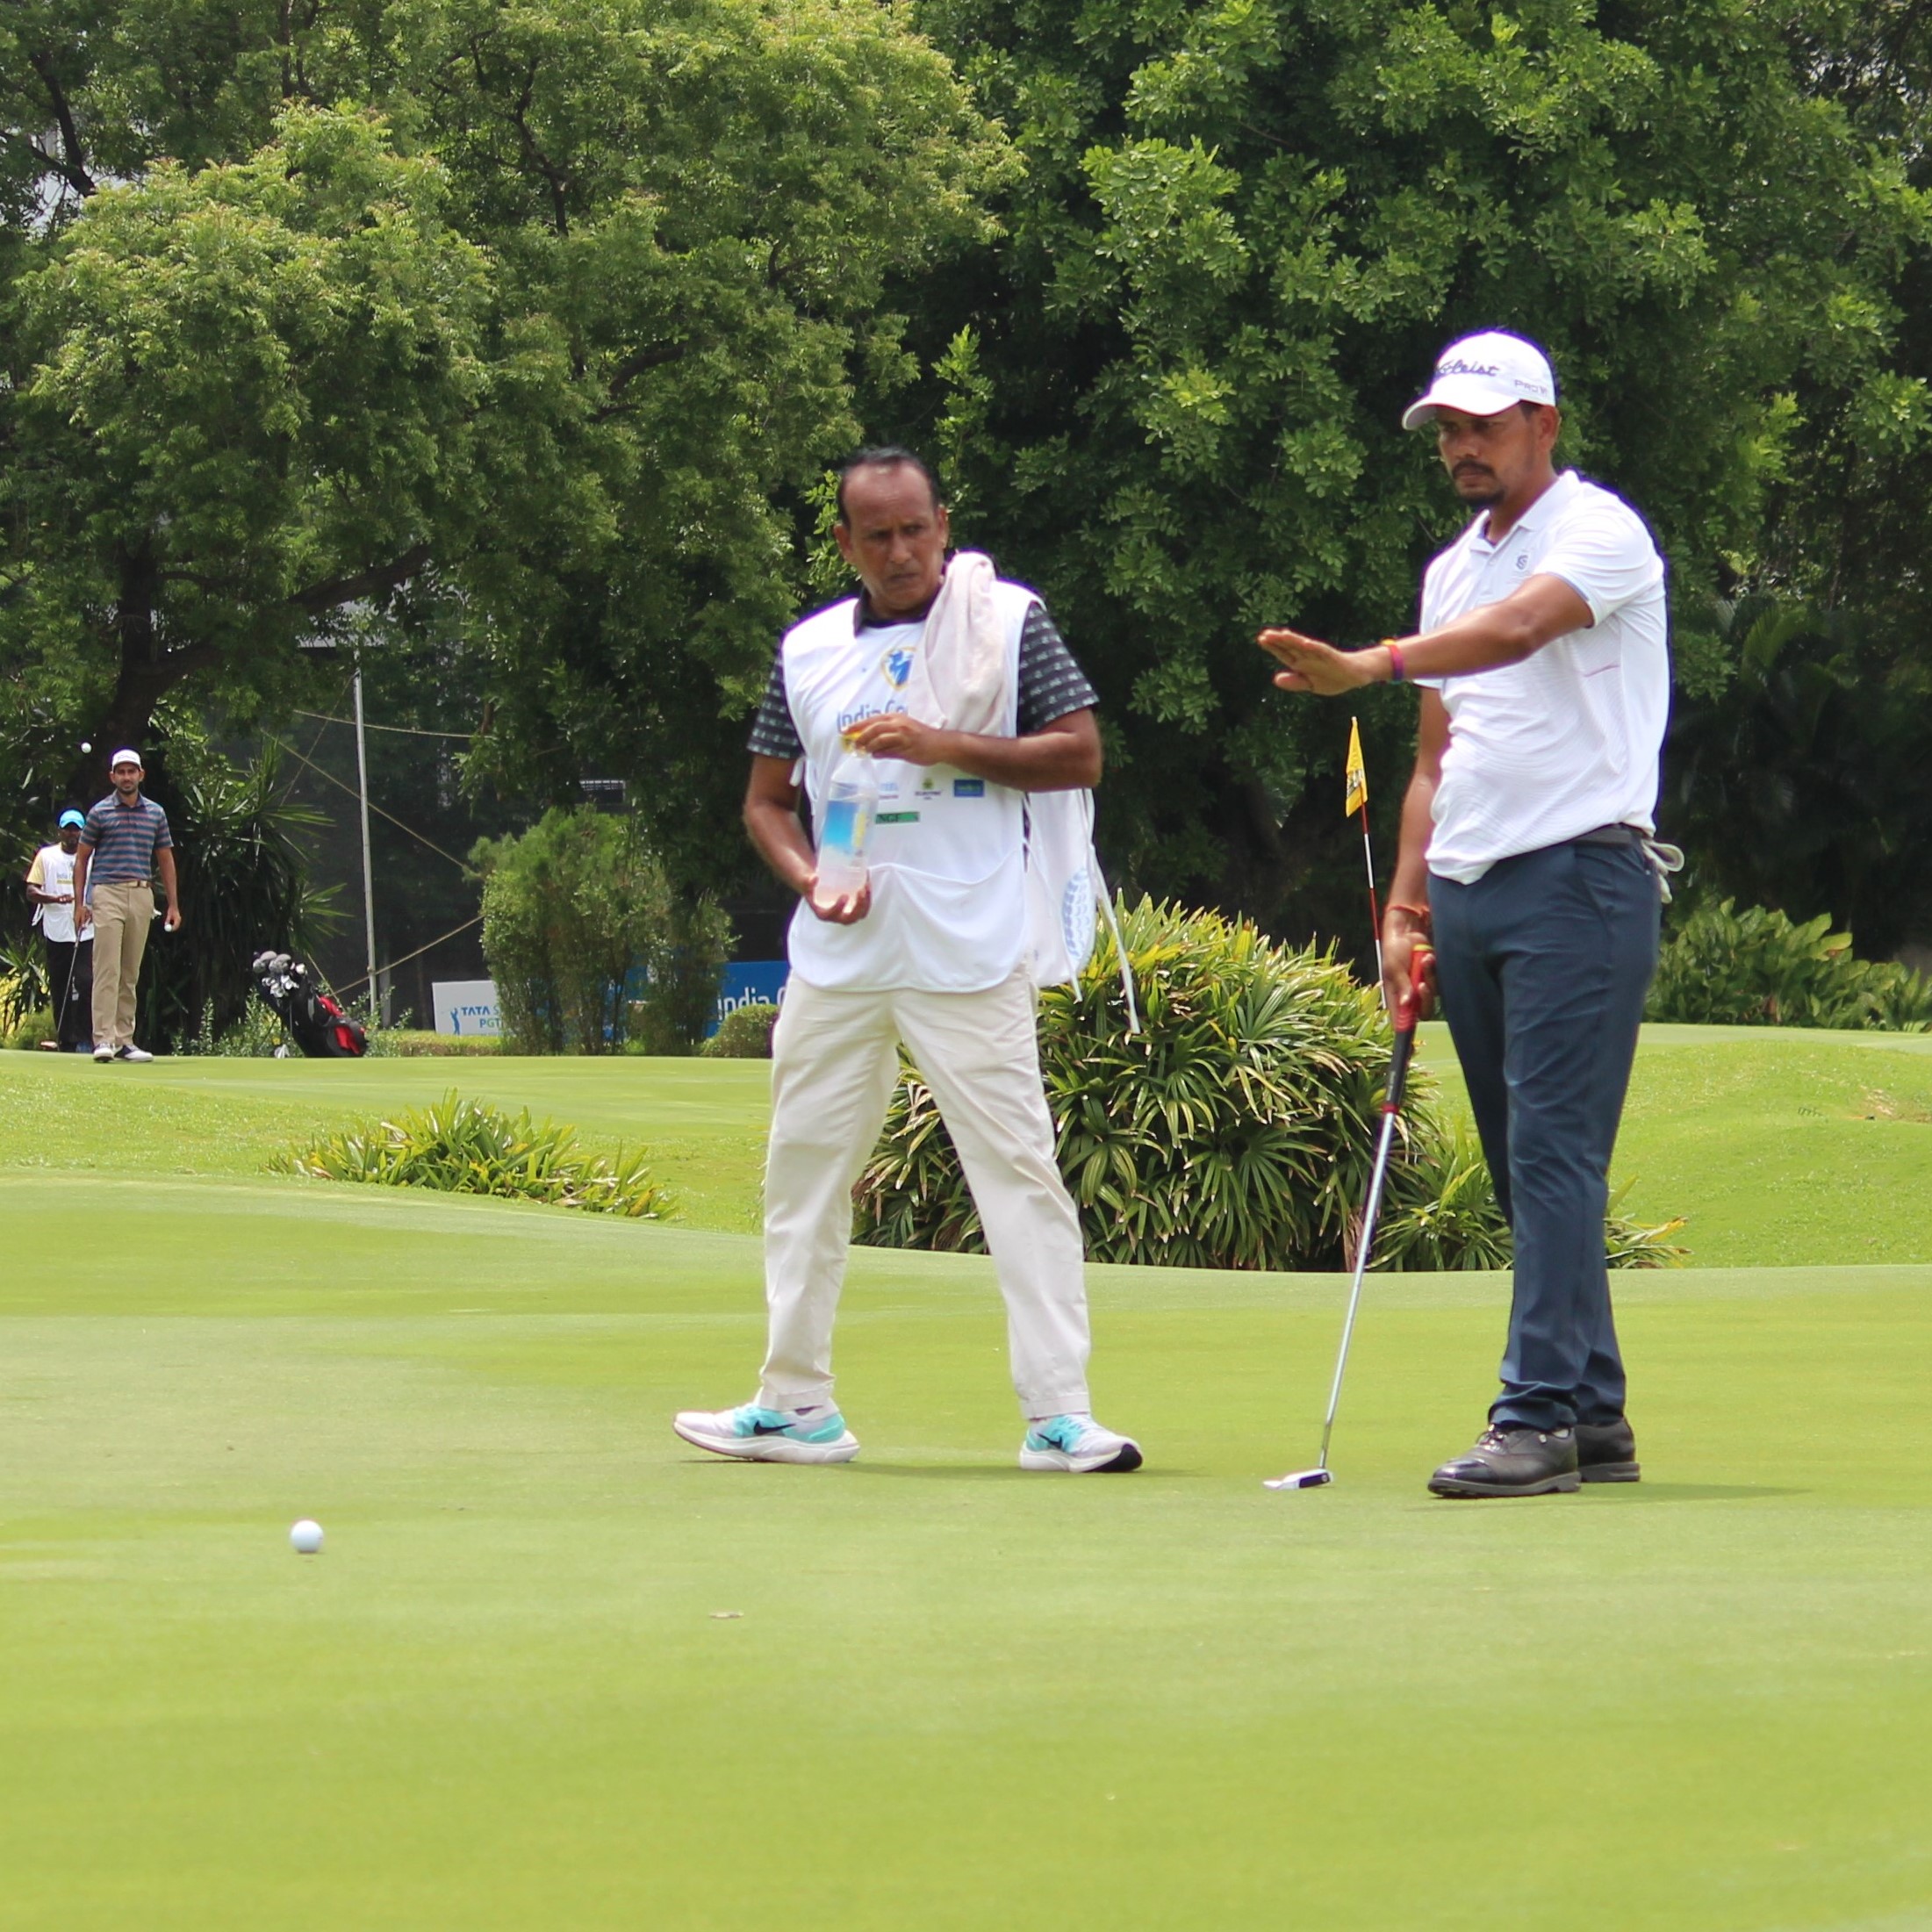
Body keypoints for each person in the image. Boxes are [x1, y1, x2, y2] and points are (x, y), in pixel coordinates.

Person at [1259, 330, 1673, 1498]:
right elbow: (1438, 759)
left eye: (1483, 426)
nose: (1461, 447)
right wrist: (1403, 905)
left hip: (1582, 878)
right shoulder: (1450, 569)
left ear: (1543, 422)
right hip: (1472, 888)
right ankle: (1591, 1412)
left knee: (1551, 1157)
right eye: (1446, 430)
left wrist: (1372, 663)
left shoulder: (1600, 531)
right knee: (1523, 1166)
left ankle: (1533, 1420)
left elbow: (1522, 631)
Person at [674, 447, 1142, 1473]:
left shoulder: (1005, 620)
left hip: (967, 945)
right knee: (802, 1171)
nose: (898, 551)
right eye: (874, 534)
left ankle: (1059, 1413)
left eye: (914, 529)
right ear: (842, 542)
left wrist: (942, 743)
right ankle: (794, 1403)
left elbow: (1078, 752)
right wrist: (808, 879)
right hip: (840, 953)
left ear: (943, 525)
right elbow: (764, 798)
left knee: (1017, 1172)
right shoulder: (805, 650)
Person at [71, 749, 182, 1063]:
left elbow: (165, 858)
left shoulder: (156, 813)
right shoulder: (100, 812)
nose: (127, 777)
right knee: (107, 968)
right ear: (112, 777)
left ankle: (124, 1040)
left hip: (142, 892)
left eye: (132, 771)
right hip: (107, 891)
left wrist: (172, 904)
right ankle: (103, 1039)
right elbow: (81, 859)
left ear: (141, 775)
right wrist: (80, 904)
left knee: (130, 971)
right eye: (121, 772)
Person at [24, 810, 94, 1052]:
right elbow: (31, 891)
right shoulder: (47, 856)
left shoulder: (92, 856)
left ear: (83, 831)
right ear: (60, 831)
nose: (72, 833)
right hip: (56, 931)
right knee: (60, 987)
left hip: (86, 931)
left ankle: (87, 1038)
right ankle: (66, 1041)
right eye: (68, 829)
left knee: (87, 983)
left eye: (76, 829)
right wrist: (53, 898)